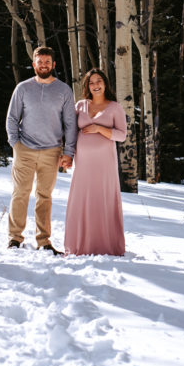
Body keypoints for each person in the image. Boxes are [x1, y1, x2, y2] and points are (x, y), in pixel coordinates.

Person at [5, 47, 77, 254]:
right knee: (20, 193)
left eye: (47, 61)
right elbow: (11, 118)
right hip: (24, 149)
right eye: (39, 61)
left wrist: (69, 152)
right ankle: (14, 238)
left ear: (53, 65)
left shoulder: (64, 90)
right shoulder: (23, 88)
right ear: (34, 64)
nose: (43, 65)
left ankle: (44, 241)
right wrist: (15, 144)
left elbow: (70, 124)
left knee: (44, 196)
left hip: (52, 151)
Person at [65, 68, 126, 256]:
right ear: (87, 86)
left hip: (105, 165)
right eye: (91, 82)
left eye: (99, 81)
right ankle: (78, 245)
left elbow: (122, 135)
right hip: (83, 163)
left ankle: (107, 246)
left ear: (105, 83)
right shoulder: (80, 106)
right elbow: (71, 132)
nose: (95, 85)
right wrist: (67, 155)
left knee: (104, 200)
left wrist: (99, 128)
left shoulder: (115, 107)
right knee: (81, 201)